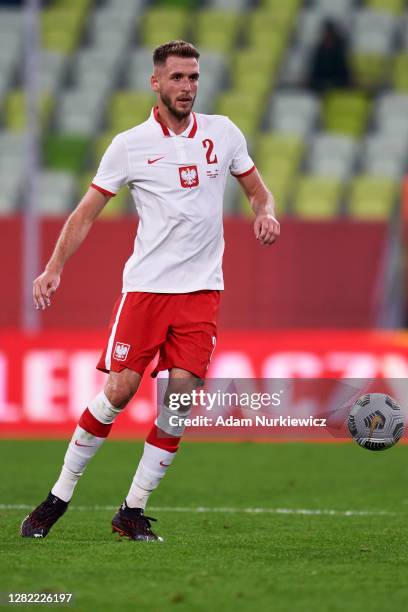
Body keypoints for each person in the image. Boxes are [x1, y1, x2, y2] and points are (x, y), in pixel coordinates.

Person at [20, 40, 280, 542]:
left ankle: (132, 510)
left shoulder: (223, 133)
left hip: (203, 292)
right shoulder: (129, 144)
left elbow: (256, 188)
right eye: (178, 78)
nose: (187, 87)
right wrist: (54, 267)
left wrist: (264, 213)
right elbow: (85, 213)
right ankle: (59, 496)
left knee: (179, 403)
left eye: (194, 77)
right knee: (119, 390)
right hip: (146, 291)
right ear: (155, 82)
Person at [308, 19, 352, 93]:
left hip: (337, 85)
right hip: (320, 85)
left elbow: (343, 72)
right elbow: (315, 72)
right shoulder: (319, 50)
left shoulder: (339, 51)